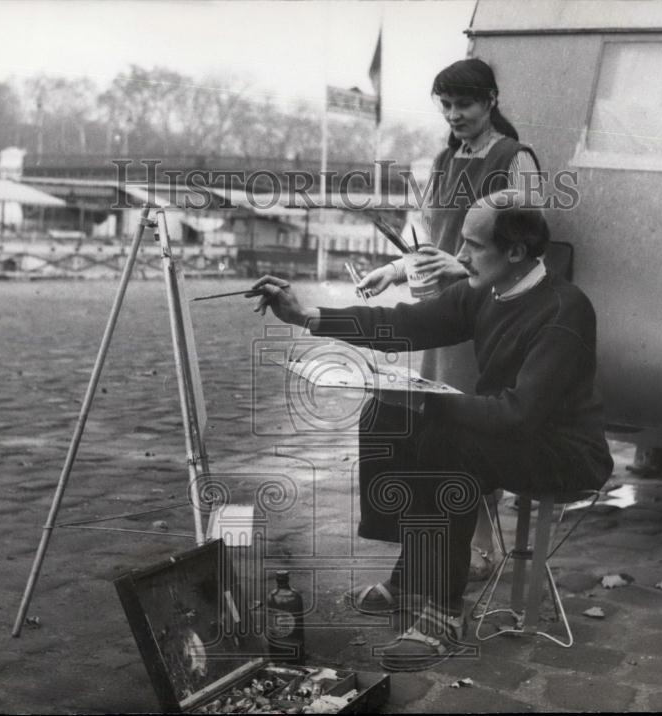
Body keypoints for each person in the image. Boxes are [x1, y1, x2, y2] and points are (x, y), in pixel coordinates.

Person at [251, 190, 613, 672]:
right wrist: (307, 316)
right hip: (512, 433)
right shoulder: (486, 288)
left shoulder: (564, 310)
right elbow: (407, 323)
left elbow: (519, 415)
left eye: (473, 245)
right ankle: (412, 575)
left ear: (516, 252)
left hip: (565, 451)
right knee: (385, 413)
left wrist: (428, 402)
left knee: (448, 441)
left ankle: (443, 613)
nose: (459, 256)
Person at [358, 58, 542, 577]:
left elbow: (525, 243)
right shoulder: (443, 159)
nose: (454, 114)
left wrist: (461, 265)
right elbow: (429, 238)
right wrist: (396, 270)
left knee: (468, 422)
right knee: (428, 420)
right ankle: (443, 542)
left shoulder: (514, 158)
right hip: (440, 313)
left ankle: (478, 546)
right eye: (446, 104)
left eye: (464, 104)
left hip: (487, 312)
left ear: (490, 102)